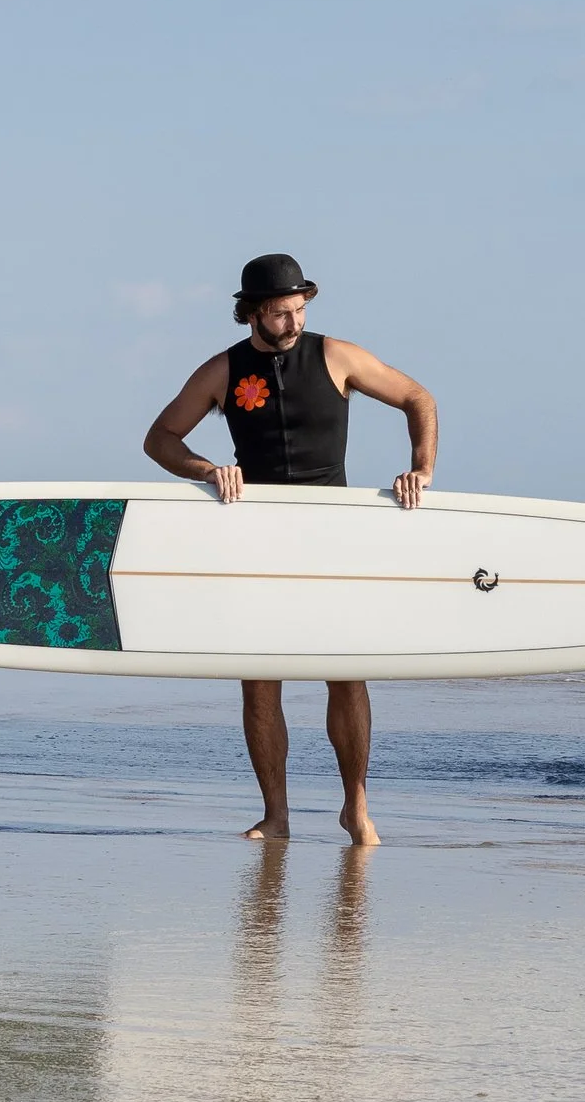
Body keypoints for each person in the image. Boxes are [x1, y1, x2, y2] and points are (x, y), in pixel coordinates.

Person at [144, 251, 437, 849]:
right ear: (252, 313)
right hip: (256, 538)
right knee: (260, 683)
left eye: (300, 309)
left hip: (336, 537)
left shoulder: (336, 357)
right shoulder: (222, 371)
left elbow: (417, 398)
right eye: (282, 313)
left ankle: (355, 806)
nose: (294, 323)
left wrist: (420, 470)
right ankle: (275, 814)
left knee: (347, 677)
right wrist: (207, 469)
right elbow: (160, 438)